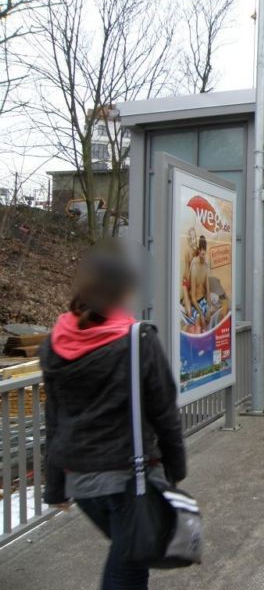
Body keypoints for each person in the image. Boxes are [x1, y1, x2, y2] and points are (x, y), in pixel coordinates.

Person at [39, 244, 186, 590]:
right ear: (124, 291)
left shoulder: (55, 342)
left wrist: (56, 485)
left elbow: (54, 417)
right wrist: (176, 471)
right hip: (128, 478)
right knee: (129, 567)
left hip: (81, 482)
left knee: (130, 555)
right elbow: (164, 412)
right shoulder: (138, 340)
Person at [189, 235, 210, 331]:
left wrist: (209, 309)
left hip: (203, 302)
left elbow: (208, 292)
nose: (203, 256)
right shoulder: (194, 267)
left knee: (212, 316)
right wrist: (201, 314)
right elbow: (192, 297)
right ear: (199, 251)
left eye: (204, 254)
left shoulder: (205, 266)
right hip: (195, 304)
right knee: (198, 321)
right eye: (202, 254)